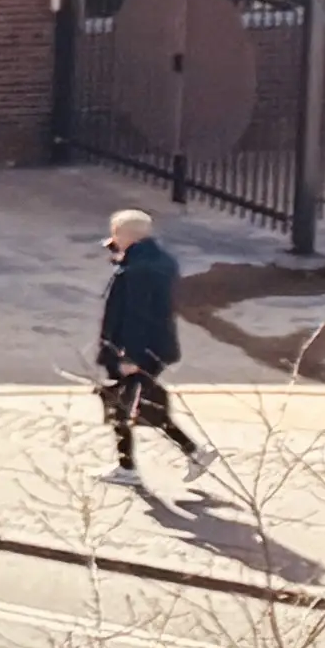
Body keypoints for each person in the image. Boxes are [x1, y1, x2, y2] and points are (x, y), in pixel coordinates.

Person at [98, 205, 201, 480]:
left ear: (123, 234)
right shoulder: (157, 261)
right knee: (145, 404)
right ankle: (194, 452)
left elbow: (137, 315)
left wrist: (129, 357)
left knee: (119, 404)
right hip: (156, 347)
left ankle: (127, 467)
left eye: (115, 234)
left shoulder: (139, 271)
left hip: (139, 350)